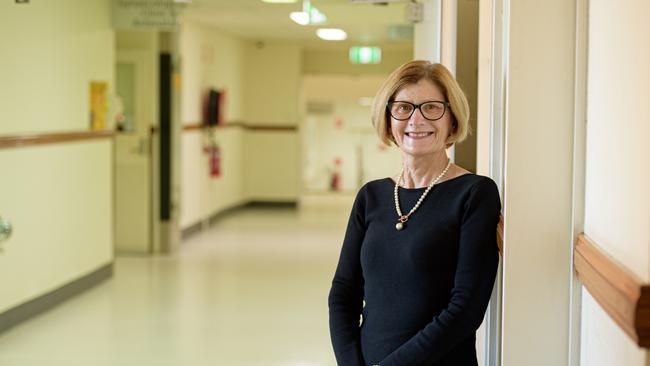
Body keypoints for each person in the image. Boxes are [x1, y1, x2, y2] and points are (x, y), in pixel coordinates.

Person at [328, 61, 501, 366]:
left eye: (431, 108)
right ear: (388, 118)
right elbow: (344, 292)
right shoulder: (371, 196)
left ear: (452, 119)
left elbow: (465, 308)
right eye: (404, 108)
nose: (416, 119)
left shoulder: (474, 194)